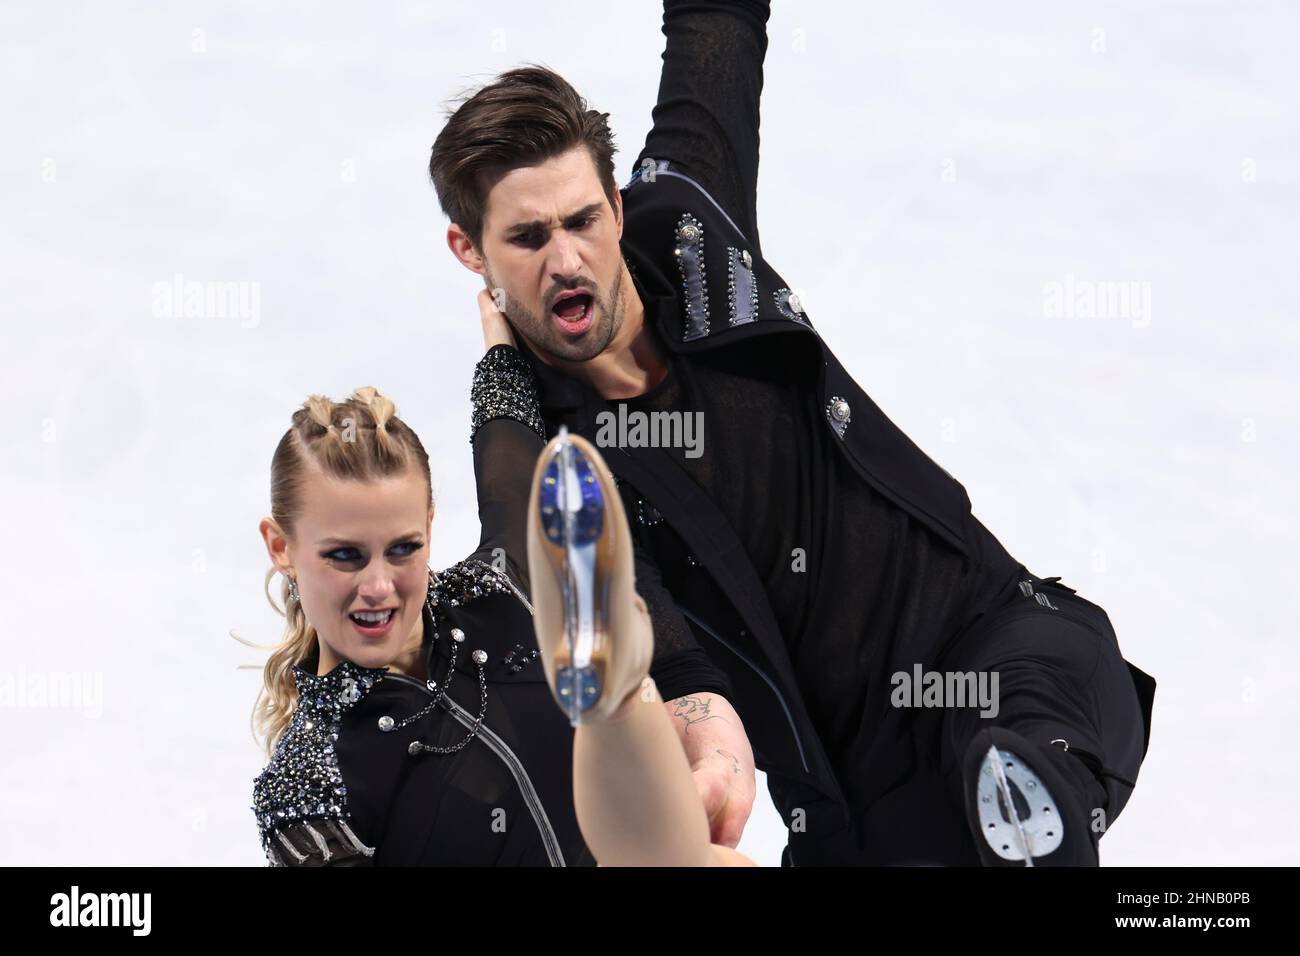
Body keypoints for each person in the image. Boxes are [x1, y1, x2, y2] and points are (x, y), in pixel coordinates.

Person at [429, 0, 1156, 865]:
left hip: (983, 632)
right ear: (467, 251)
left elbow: (717, 29)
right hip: (854, 797)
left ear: (617, 207)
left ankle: (1033, 809)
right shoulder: (567, 464)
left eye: (583, 220)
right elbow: (586, 584)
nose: (566, 259)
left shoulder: (691, 220)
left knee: (1041, 702)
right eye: (526, 237)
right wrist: (712, 752)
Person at [247, 291, 752, 866]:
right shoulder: (313, 781)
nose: (380, 586)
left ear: (430, 525)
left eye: (403, 548)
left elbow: (507, 445)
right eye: (345, 556)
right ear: (281, 547)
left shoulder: (498, 595)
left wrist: (503, 325)